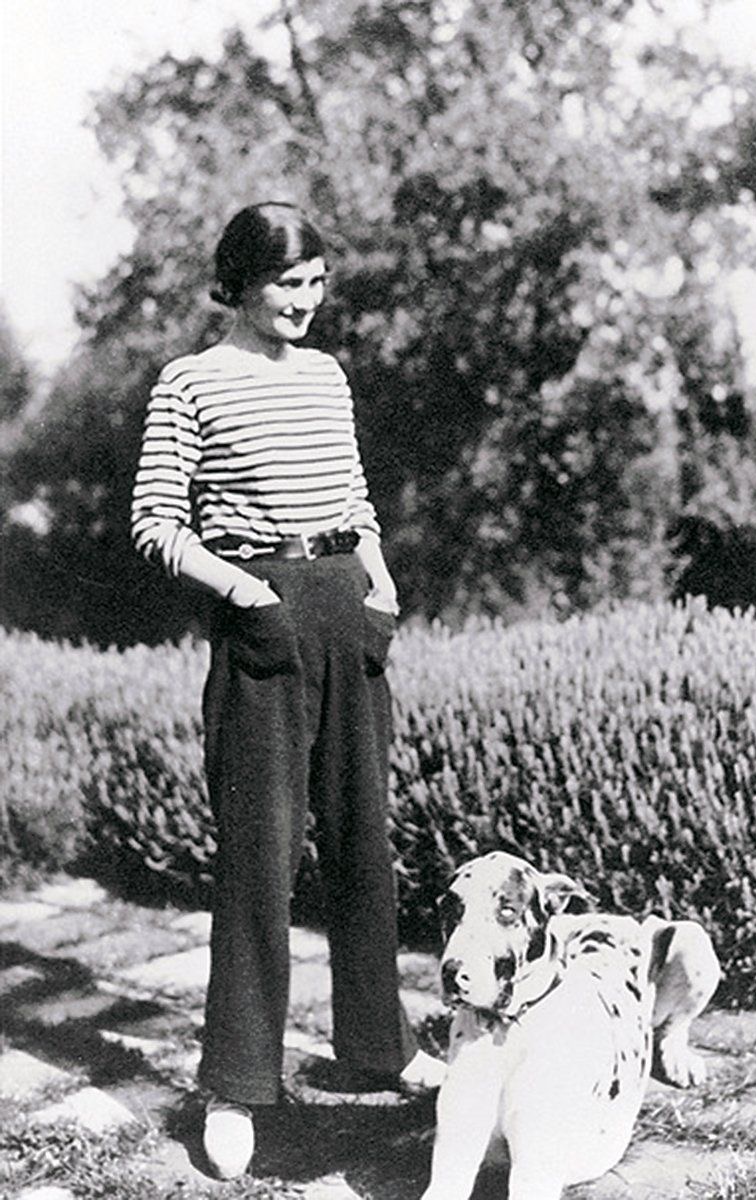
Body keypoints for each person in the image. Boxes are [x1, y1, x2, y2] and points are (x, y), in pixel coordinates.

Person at [131, 201, 445, 1180]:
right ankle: (234, 1087)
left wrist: (382, 580)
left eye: (316, 283)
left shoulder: (327, 375)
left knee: (362, 840)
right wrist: (245, 591)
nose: (306, 302)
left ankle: (374, 1053)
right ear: (240, 280)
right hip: (259, 616)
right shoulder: (189, 383)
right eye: (286, 285)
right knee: (259, 863)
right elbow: (156, 524)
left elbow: (353, 500)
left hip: (346, 607)